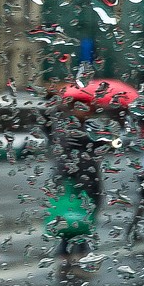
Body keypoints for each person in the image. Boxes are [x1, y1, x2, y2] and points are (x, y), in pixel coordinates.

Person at [48, 99, 105, 260]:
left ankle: (74, 251)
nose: (86, 110)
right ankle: (72, 252)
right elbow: (63, 154)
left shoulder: (91, 125)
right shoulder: (68, 126)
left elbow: (100, 147)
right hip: (74, 180)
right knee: (72, 213)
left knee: (86, 213)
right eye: (82, 107)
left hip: (90, 178)